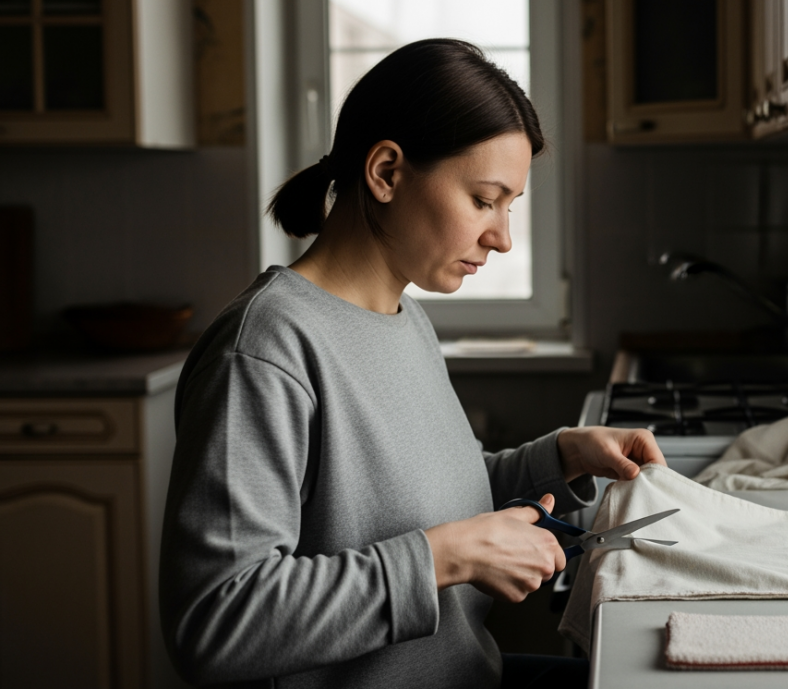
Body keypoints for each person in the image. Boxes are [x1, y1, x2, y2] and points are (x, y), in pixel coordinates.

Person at [158, 39, 665, 689]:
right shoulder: (263, 352)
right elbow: (215, 624)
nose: (503, 236)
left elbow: (429, 499)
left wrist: (560, 455)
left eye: (511, 206)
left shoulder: (406, 321)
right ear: (388, 172)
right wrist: (441, 560)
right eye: (485, 200)